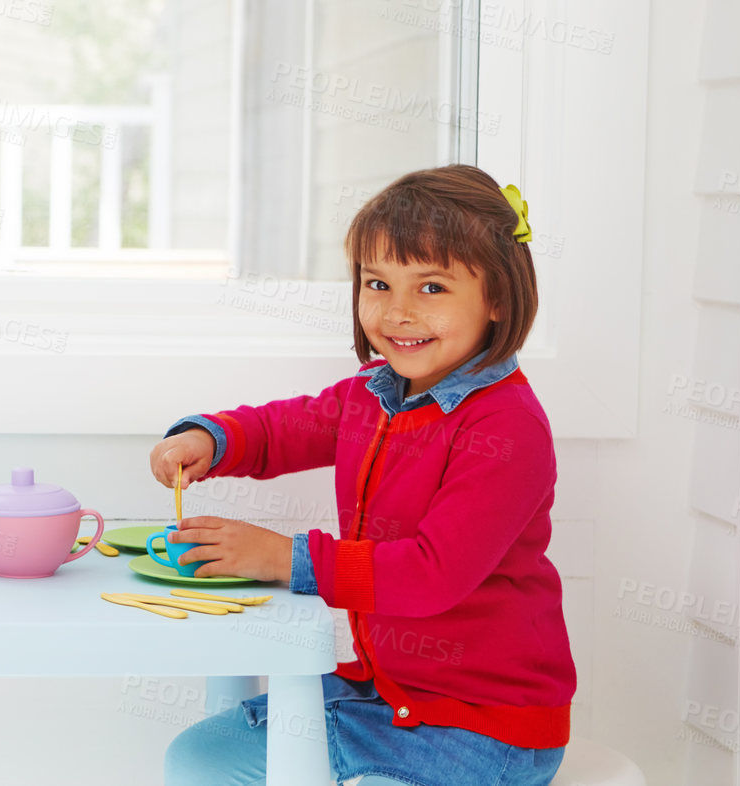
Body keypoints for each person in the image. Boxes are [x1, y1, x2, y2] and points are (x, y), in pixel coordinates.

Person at [150, 165, 574, 786]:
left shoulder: (507, 429)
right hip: (383, 697)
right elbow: (285, 427)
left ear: (498, 299)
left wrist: (283, 558)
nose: (398, 312)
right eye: (378, 283)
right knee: (198, 760)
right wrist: (210, 438)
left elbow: (432, 575)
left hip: (484, 729)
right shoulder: (373, 395)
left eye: (431, 288)